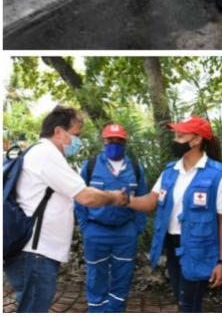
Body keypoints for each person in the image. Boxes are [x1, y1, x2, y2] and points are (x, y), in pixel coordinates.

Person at [4, 106, 130, 313]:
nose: (78, 141)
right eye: (76, 135)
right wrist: (115, 197)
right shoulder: (46, 154)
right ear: (59, 132)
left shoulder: (40, 152)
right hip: (35, 254)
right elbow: (86, 196)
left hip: (35, 253)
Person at [125, 116, 222, 312]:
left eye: (180, 135)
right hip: (172, 245)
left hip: (198, 249)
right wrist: (124, 200)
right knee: (182, 298)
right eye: (175, 135)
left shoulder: (219, 176)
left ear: (196, 140)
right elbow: (151, 201)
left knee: (188, 304)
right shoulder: (170, 172)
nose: (175, 140)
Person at [76, 123, 148, 312]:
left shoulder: (135, 167)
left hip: (125, 233)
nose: (114, 143)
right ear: (104, 141)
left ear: (125, 142)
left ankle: (116, 310)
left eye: (119, 140)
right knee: (95, 276)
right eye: (110, 140)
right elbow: (78, 197)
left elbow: (143, 199)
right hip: (96, 231)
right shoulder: (91, 166)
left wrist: (136, 228)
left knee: (122, 276)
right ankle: (97, 311)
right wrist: (85, 226)